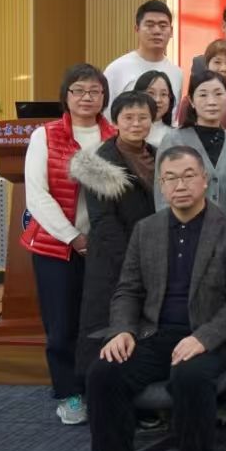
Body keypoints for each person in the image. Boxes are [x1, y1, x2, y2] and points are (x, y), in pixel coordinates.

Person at [74, 145, 226, 451]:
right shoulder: (147, 230)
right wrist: (122, 330)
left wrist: (204, 338)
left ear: (205, 180)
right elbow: (128, 289)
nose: (180, 185)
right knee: (103, 373)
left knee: (190, 376)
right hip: (155, 334)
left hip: (209, 338)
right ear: (161, 185)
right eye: (171, 178)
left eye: (189, 176)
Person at [22, 63, 116, 424]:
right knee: (61, 325)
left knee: (98, 321)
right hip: (56, 246)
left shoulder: (115, 135)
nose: (86, 97)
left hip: (103, 248)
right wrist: (74, 238)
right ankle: (68, 393)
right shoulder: (45, 136)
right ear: (66, 96)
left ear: (104, 96)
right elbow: (37, 195)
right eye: (78, 90)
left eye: (94, 91)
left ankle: (99, 388)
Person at [70, 91, 157, 380]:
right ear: (115, 121)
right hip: (112, 258)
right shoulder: (99, 161)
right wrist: (132, 261)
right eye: (128, 117)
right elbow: (103, 220)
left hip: (152, 254)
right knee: (103, 324)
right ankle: (87, 388)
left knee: (140, 326)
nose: (136, 123)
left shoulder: (159, 155)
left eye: (143, 117)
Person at [156, 71, 226, 215]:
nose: (212, 102)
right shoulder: (173, 140)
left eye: (218, 94)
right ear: (191, 101)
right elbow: (162, 195)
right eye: (203, 95)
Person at [103, 0, 182, 114]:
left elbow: (174, 117)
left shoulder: (177, 73)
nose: (157, 31)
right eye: (150, 25)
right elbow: (106, 115)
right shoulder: (117, 69)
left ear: (171, 31)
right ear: (137, 29)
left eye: (163, 26)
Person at [134, 69, 174, 146]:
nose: (157, 100)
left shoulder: (176, 136)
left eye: (163, 94)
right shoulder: (126, 130)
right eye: (151, 93)